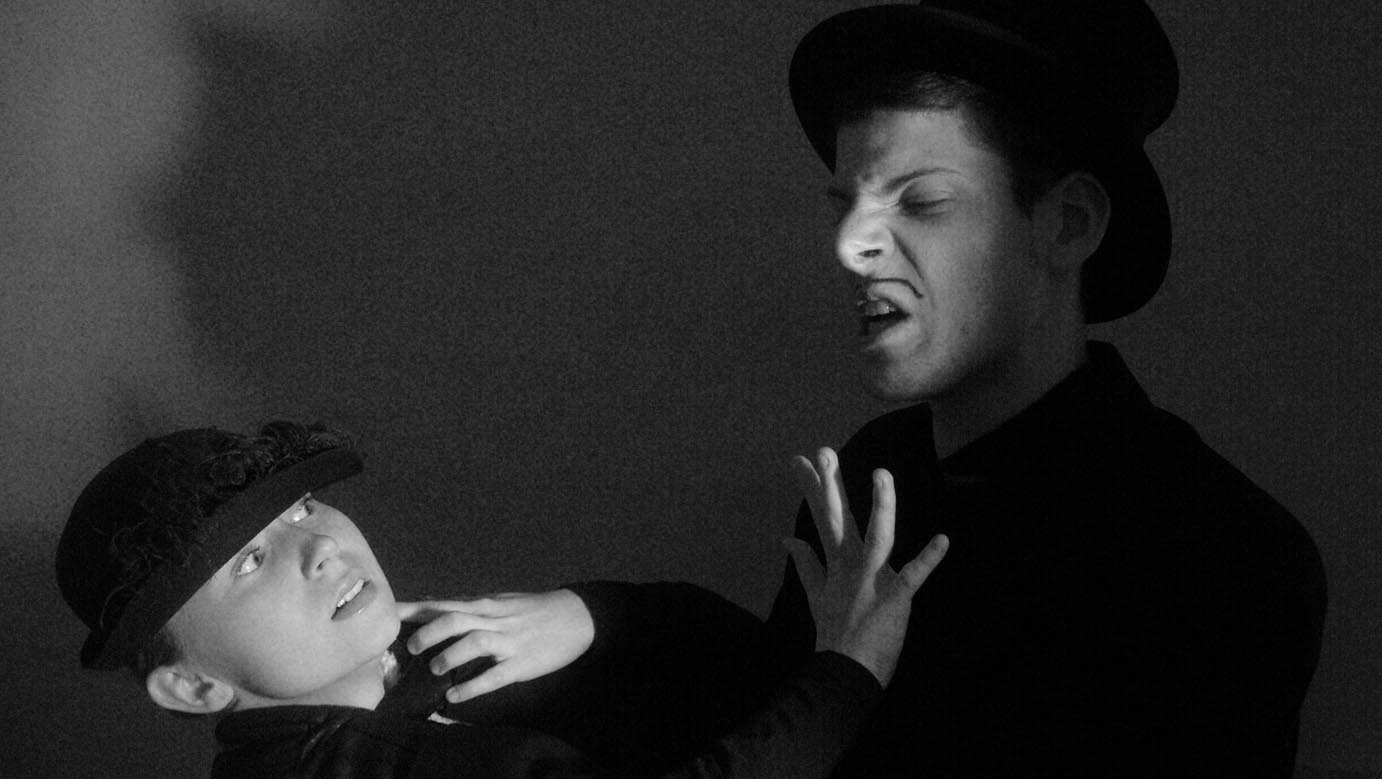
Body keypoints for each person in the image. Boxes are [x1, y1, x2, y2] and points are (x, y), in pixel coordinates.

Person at [760, 1, 1328, 776]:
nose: (849, 245)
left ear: (1067, 225)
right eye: (845, 205)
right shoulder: (866, 483)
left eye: (921, 201)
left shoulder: (1226, 559)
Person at [55, 420, 948, 778]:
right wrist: (851, 668)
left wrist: (588, 613)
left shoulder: (399, 678)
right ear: (194, 686)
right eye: (250, 560)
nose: (320, 546)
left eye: (305, 507)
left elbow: (709, 655)